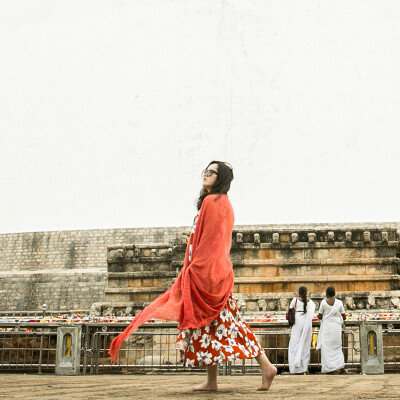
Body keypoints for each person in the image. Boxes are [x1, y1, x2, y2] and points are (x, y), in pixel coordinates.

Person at [109, 161, 277, 391]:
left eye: (212, 172)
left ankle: (265, 367)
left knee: (230, 324)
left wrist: (194, 270)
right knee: (209, 327)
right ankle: (214, 380)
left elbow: (208, 244)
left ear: (221, 178)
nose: (206, 175)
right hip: (217, 274)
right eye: (205, 171)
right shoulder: (224, 203)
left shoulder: (212, 202)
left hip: (208, 277)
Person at [316, 286, 346, 373]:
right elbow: (344, 316)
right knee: (337, 346)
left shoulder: (323, 303)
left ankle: (329, 368)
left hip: (327, 327)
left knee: (327, 348)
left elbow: (320, 316)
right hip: (336, 327)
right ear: (334, 293)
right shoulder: (339, 303)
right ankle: (340, 367)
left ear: (326, 294)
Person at [288, 286, 315, 374]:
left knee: (294, 344)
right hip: (307, 323)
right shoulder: (310, 302)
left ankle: (294, 368)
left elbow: (290, 310)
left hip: (297, 321)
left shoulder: (295, 300)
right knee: (305, 346)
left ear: (298, 292)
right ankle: (304, 368)